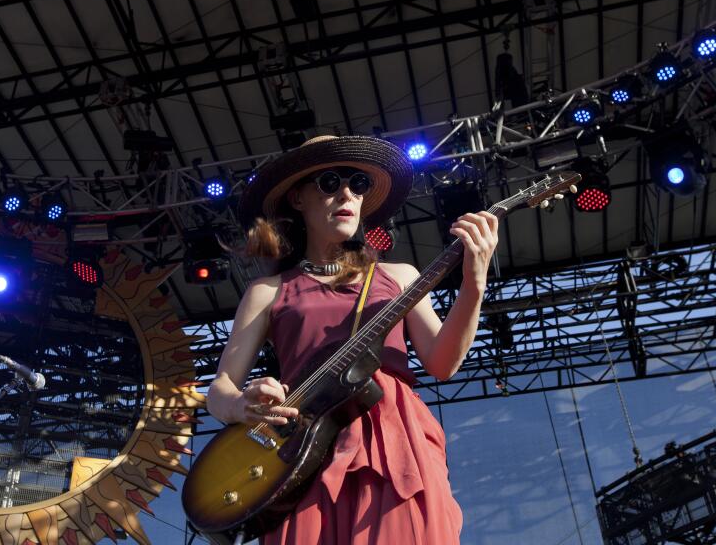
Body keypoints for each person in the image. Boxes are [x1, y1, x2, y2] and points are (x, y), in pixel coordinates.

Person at [206, 135, 498, 544]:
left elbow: (442, 363)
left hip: (394, 439)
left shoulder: (400, 276)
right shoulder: (268, 291)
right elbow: (219, 390)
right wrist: (240, 404)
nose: (346, 193)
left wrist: (474, 284)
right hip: (300, 450)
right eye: (329, 182)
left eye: (357, 183)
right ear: (297, 198)